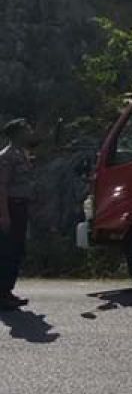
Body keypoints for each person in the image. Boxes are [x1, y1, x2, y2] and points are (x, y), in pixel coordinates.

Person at [0, 118, 35, 310]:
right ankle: (2, 294)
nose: (29, 133)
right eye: (25, 130)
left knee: (17, 250)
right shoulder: (6, 156)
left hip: (21, 207)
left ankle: (7, 291)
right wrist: (4, 215)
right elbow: (2, 187)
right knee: (8, 252)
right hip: (11, 207)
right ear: (16, 134)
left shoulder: (21, 154)